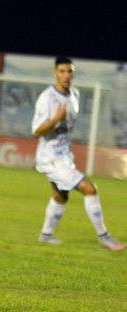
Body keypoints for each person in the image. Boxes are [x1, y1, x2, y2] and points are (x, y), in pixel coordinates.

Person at [32, 56, 124, 251]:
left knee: (60, 196)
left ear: (73, 73)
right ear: (54, 73)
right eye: (62, 71)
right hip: (51, 160)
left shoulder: (74, 94)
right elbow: (37, 131)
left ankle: (46, 235)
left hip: (65, 157)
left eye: (69, 71)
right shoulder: (47, 98)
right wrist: (56, 118)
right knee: (90, 189)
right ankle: (104, 237)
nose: (66, 75)